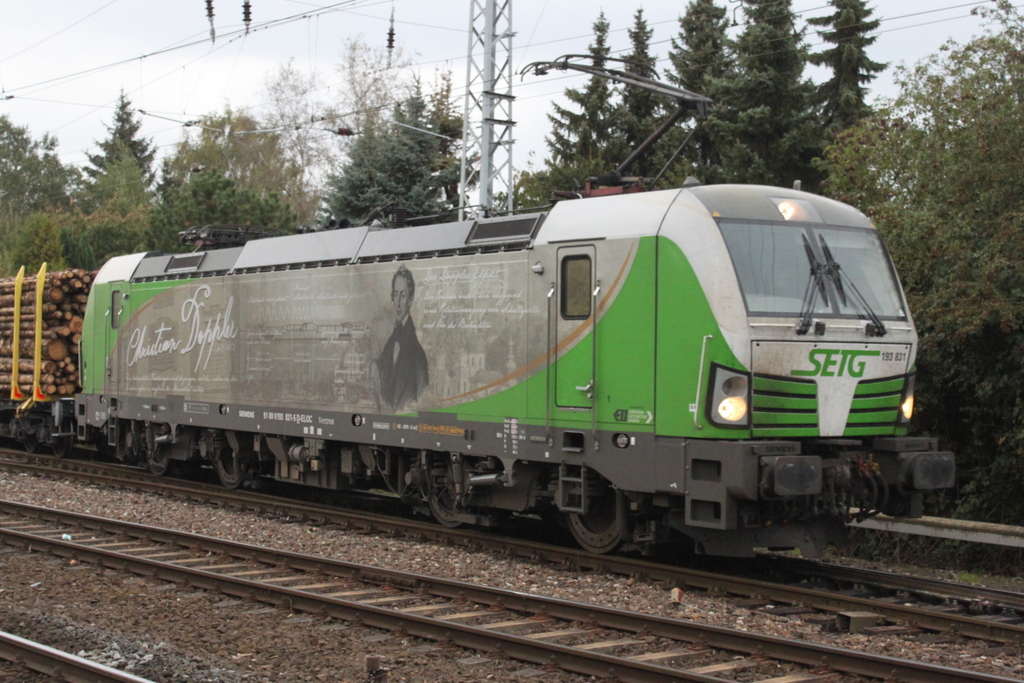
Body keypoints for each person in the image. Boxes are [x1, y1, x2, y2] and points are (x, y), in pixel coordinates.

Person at [377, 265, 429, 410]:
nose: (398, 302)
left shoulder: (418, 356)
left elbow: (423, 405)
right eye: (395, 294)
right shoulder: (388, 347)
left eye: (403, 295)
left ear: (411, 300)